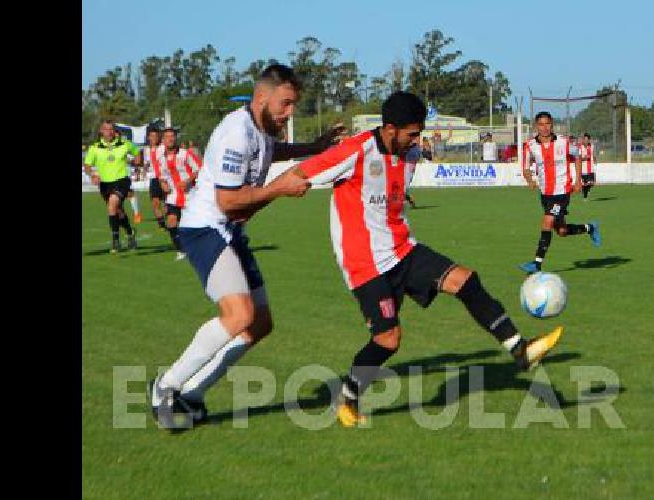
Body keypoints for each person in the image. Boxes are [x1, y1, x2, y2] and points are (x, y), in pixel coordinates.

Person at [288, 92, 565, 427]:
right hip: (365, 263)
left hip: (404, 249)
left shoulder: (410, 153)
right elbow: (299, 174)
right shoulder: (356, 150)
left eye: (419, 134)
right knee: (387, 340)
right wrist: (251, 201)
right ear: (390, 129)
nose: (418, 142)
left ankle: (520, 350)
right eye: (412, 134)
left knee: (466, 280)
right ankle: (347, 398)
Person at [148, 64, 347, 428]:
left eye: (293, 106)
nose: (289, 114)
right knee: (239, 315)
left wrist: (313, 148)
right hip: (205, 227)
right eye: (285, 105)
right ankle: (165, 387)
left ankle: (193, 393)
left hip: (229, 230)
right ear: (261, 98)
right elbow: (227, 201)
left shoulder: (260, 127)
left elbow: (273, 150)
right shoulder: (235, 133)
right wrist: (280, 188)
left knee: (260, 324)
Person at [517, 112, 601, 274]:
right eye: (541, 125)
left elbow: (577, 156)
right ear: (536, 126)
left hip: (562, 191)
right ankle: (590, 228)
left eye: (547, 124)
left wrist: (577, 181)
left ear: (552, 124)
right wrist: (529, 180)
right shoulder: (530, 145)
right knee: (561, 231)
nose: (545, 128)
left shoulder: (564, 142)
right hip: (545, 194)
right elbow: (526, 167)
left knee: (547, 221)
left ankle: (536, 263)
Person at [83, 121, 140, 253]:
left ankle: (115, 240)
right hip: (105, 184)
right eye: (106, 129)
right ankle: (130, 233)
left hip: (121, 181)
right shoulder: (95, 148)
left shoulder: (124, 143)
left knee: (112, 204)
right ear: (101, 131)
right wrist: (92, 174)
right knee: (117, 211)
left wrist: (137, 160)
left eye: (111, 129)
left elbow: (137, 152)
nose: (109, 132)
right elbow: (87, 165)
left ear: (114, 131)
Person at [158, 127, 200, 260]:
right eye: (167, 137)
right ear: (163, 140)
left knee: (194, 224)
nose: (170, 139)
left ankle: (199, 246)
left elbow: (199, 168)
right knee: (171, 221)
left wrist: (188, 180)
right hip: (173, 196)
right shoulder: (161, 158)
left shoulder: (185, 154)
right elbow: (162, 176)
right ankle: (181, 250)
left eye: (172, 136)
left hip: (190, 195)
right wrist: (163, 184)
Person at [140, 127, 170, 231]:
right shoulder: (146, 150)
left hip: (165, 177)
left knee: (167, 202)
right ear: (148, 137)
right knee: (155, 202)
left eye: (156, 136)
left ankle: (170, 220)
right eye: (152, 136)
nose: (154, 138)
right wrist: (144, 170)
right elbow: (146, 163)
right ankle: (162, 225)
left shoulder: (164, 147)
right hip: (154, 178)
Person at [579, 133, 597, 199]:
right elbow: (578, 158)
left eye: (587, 140)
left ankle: (586, 189)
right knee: (585, 183)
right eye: (584, 139)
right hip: (583, 169)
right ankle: (585, 196)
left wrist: (595, 159)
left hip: (591, 168)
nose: (585, 141)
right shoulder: (580, 147)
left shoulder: (592, 146)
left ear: (589, 140)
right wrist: (584, 158)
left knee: (592, 183)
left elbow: (594, 154)